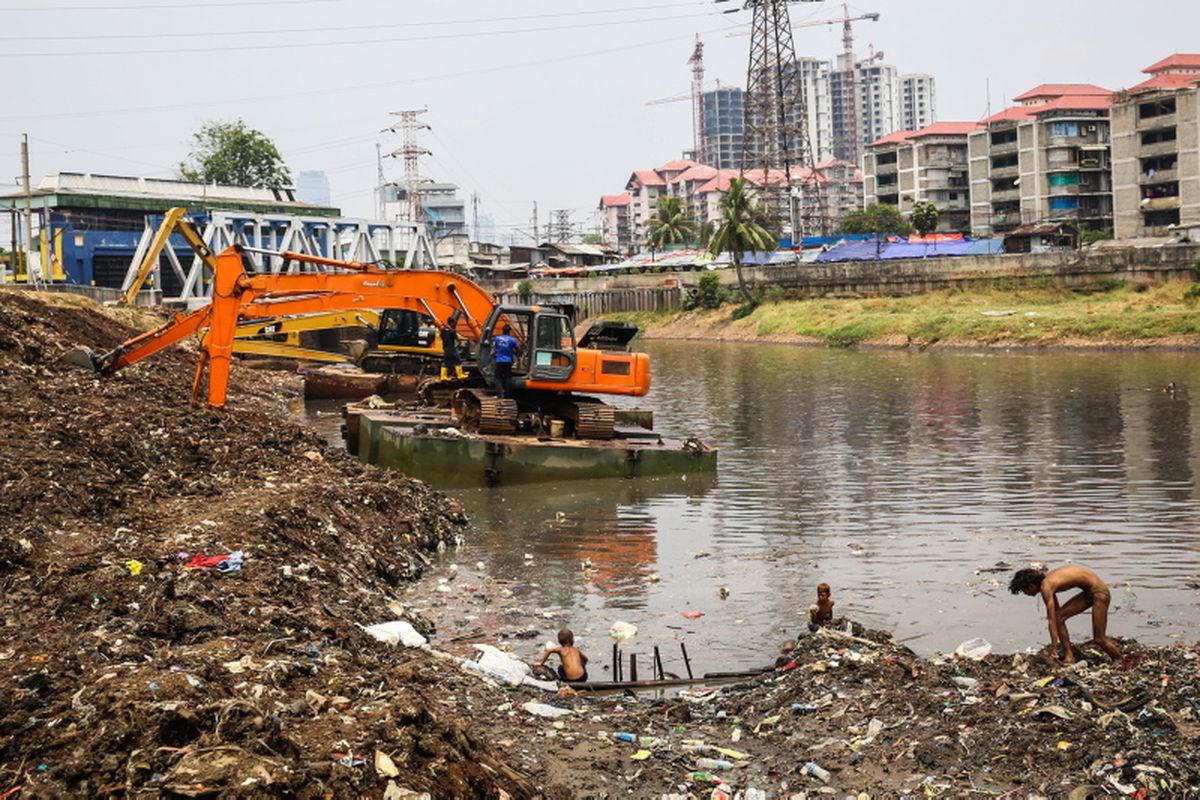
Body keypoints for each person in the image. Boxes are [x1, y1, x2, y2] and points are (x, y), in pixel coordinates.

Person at [1009, 565, 1122, 663]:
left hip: (1100, 593)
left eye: (1024, 591)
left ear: (1031, 586)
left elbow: (1050, 620)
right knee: (1059, 617)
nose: (1026, 594)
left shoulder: (1046, 586)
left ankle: (1120, 661)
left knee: (1099, 639)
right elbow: (1056, 615)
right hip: (1088, 592)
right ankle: (1069, 656)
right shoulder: (1047, 583)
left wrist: (1054, 648)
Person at [491, 323, 522, 398]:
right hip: (508, 361)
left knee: (497, 378)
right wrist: (516, 355)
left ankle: (500, 393)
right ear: (510, 331)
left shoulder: (497, 339)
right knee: (508, 378)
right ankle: (508, 394)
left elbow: (494, 348)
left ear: (502, 330)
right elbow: (518, 349)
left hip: (499, 360)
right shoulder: (512, 340)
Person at [439, 310, 467, 381]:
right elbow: (457, 338)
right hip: (451, 348)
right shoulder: (452, 330)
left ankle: (443, 376)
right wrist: (464, 339)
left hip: (445, 348)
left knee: (445, 362)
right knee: (457, 360)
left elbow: (441, 337)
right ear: (452, 323)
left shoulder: (443, 330)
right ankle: (460, 375)